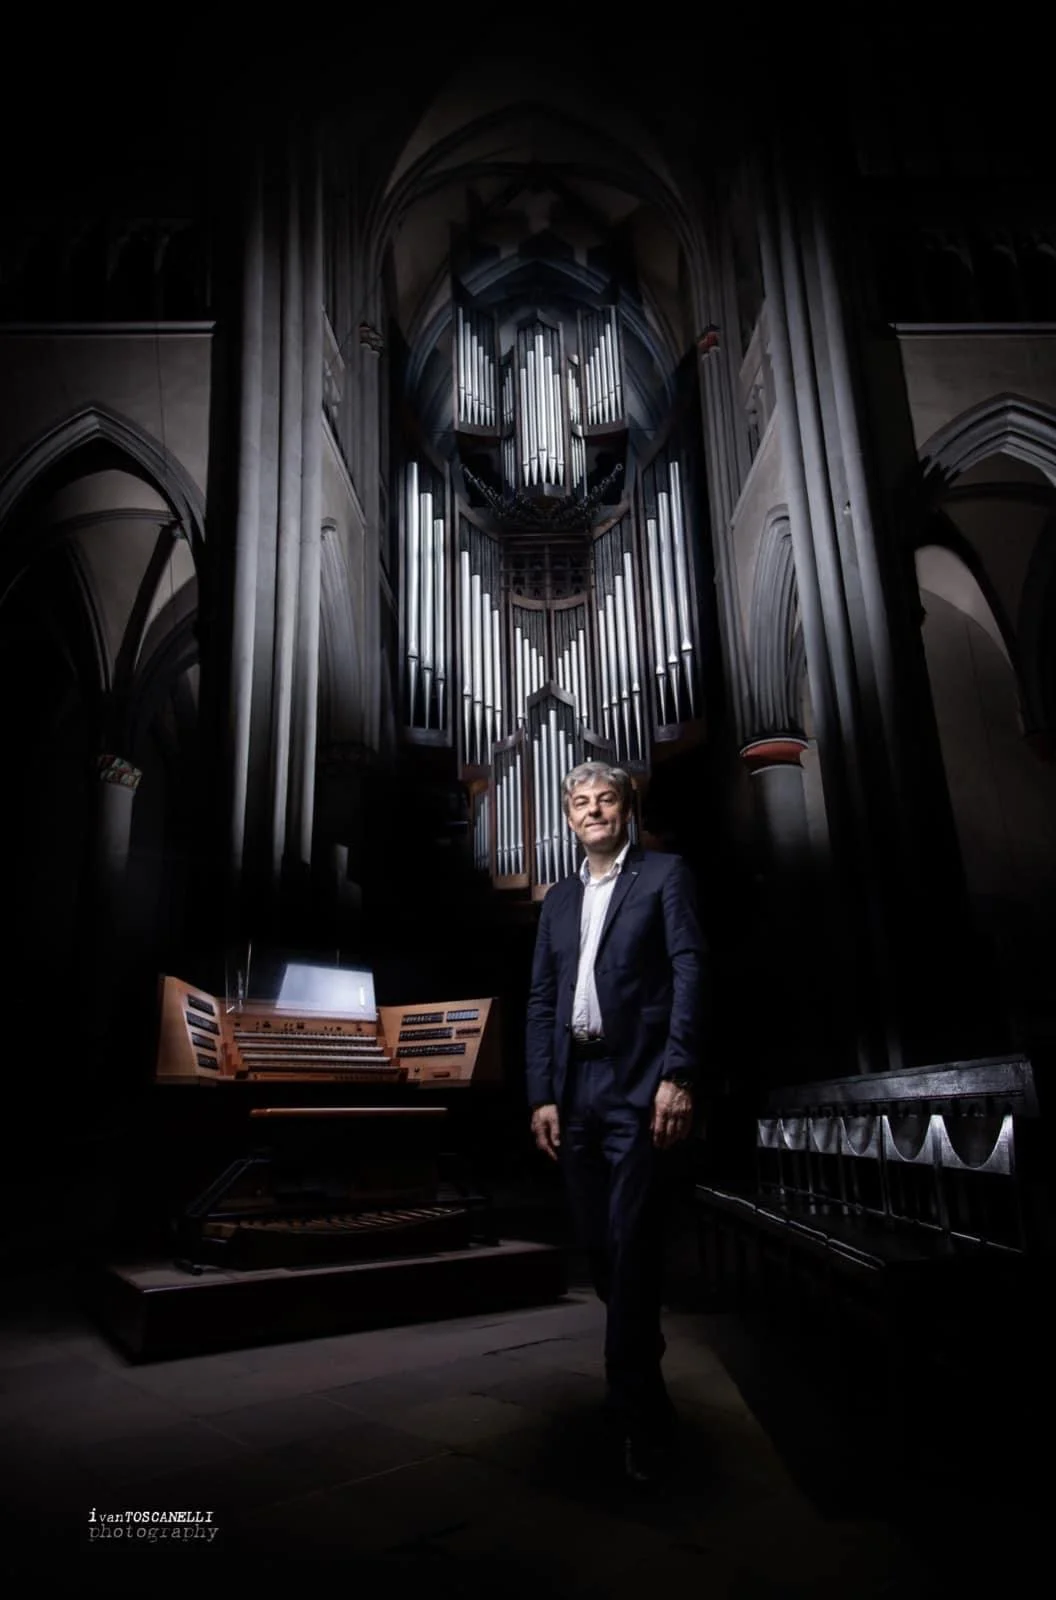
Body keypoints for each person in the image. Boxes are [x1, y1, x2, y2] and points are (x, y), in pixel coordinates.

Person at [525, 760, 707, 1483]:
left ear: (627, 809)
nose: (593, 810)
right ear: (568, 818)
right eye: (580, 802)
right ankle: (643, 1350)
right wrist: (542, 1094)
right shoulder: (558, 899)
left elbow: (691, 968)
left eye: (605, 799)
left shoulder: (665, 876)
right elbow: (541, 999)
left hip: (639, 1081)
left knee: (632, 1240)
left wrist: (680, 1073)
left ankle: (632, 1408)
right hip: (575, 1086)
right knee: (600, 1245)